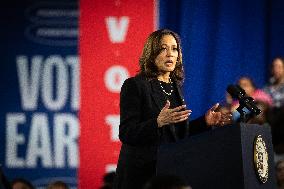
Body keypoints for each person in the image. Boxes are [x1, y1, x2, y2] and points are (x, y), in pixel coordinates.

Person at [113, 29, 231, 189]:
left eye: (174, 48)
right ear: (152, 53)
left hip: (169, 170)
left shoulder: (175, 87)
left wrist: (205, 122)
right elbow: (126, 133)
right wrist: (157, 122)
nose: (170, 54)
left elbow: (178, 133)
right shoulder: (135, 85)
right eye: (163, 48)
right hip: (141, 176)